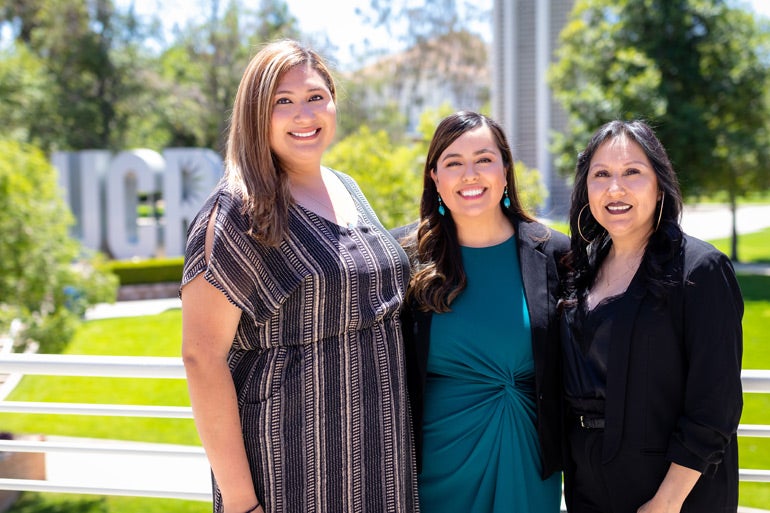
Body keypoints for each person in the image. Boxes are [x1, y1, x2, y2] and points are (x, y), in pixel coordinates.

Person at [180, 39, 419, 513]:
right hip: (294, 474)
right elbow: (200, 358)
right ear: (255, 116)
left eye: (315, 97)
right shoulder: (236, 211)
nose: (304, 115)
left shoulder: (347, 186)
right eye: (282, 103)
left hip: (382, 466)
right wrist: (243, 504)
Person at [559, 119, 743, 513]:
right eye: (601, 174)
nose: (615, 188)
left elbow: (715, 406)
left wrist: (666, 502)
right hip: (590, 491)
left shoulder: (700, 270)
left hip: (673, 498)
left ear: (659, 186)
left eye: (632, 173)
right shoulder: (580, 269)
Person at [396, 111, 568, 513]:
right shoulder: (403, 258)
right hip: (435, 465)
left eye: (484, 160)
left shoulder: (557, 255)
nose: (469, 175)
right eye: (453, 163)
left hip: (527, 459)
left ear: (505, 170)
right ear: (435, 177)